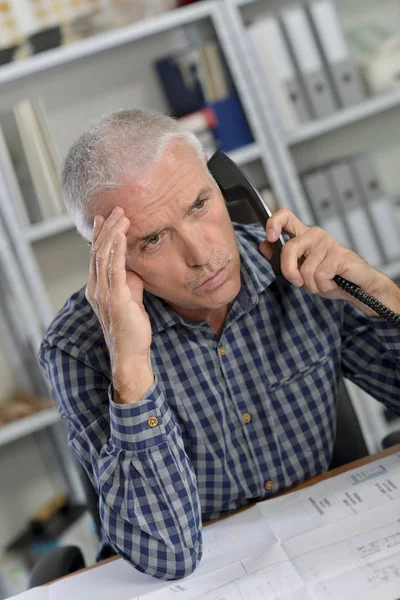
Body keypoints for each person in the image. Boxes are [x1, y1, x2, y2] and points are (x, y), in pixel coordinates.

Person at [39, 108, 400, 581]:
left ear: (226, 187)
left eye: (199, 205)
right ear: (110, 258)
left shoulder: (296, 268)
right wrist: (130, 365)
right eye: (152, 240)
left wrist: (381, 295)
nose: (203, 254)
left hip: (327, 551)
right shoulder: (76, 347)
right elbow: (168, 556)